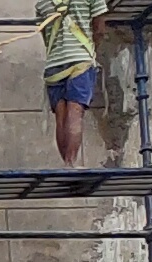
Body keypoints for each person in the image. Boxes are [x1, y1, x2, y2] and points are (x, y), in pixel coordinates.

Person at [39, 0, 107, 166]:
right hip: (80, 59)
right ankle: (71, 162)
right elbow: (99, 28)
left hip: (54, 64)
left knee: (61, 116)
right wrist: (93, 49)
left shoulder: (42, 3)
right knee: (75, 112)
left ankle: (66, 164)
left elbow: (46, 35)